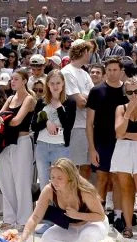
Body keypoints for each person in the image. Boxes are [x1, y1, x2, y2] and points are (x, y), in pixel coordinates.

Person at [20, 157, 109, 242]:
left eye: (59, 178)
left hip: (92, 224)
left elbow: (101, 216)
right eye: (52, 177)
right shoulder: (49, 190)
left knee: (85, 240)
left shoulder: (84, 190)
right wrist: (23, 236)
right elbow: (35, 217)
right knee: (48, 238)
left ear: (70, 178)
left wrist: (78, 215)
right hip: (71, 227)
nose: (54, 182)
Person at [109, 76, 137, 239]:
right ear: (125, 93)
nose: (134, 95)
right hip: (123, 151)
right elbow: (118, 131)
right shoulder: (121, 109)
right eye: (130, 92)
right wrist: (128, 113)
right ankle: (128, 226)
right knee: (126, 190)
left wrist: (126, 134)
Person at [0, 68, 37, 231]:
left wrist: (1, 119)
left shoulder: (29, 98)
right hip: (6, 142)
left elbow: (16, 121)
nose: (13, 82)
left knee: (22, 181)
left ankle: (24, 220)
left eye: (16, 79)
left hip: (22, 141)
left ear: (25, 81)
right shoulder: (11, 97)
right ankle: (9, 218)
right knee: (6, 181)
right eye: (12, 79)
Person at [87, 56, 127, 220]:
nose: (112, 73)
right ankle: (98, 215)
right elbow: (89, 122)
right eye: (109, 70)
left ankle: (118, 217)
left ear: (121, 71)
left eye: (115, 70)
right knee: (102, 178)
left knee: (118, 179)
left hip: (122, 142)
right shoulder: (96, 91)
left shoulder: (127, 91)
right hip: (101, 142)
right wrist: (92, 148)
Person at [32, 69, 76, 196]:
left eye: (58, 83)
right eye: (52, 83)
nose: (55, 86)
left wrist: (58, 107)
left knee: (62, 183)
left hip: (60, 148)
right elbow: (34, 126)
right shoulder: (41, 102)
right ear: (47, 84)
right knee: (44, 183)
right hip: (42, 146)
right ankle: (45, 211)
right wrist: (46, 121)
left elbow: (68, 126)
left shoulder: (70, 102)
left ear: (63, 84)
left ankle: (60, 211)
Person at [62, 41, 93, 175]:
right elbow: (80, 102)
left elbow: (94, 98)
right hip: (75, 126)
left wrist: (85, 97)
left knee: (85, 167)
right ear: (85, 52)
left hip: (87, 125)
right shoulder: (67, 72)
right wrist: (87, 97)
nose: (90, 55)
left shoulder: (85, 73)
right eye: (90, 52)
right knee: (72, 168)